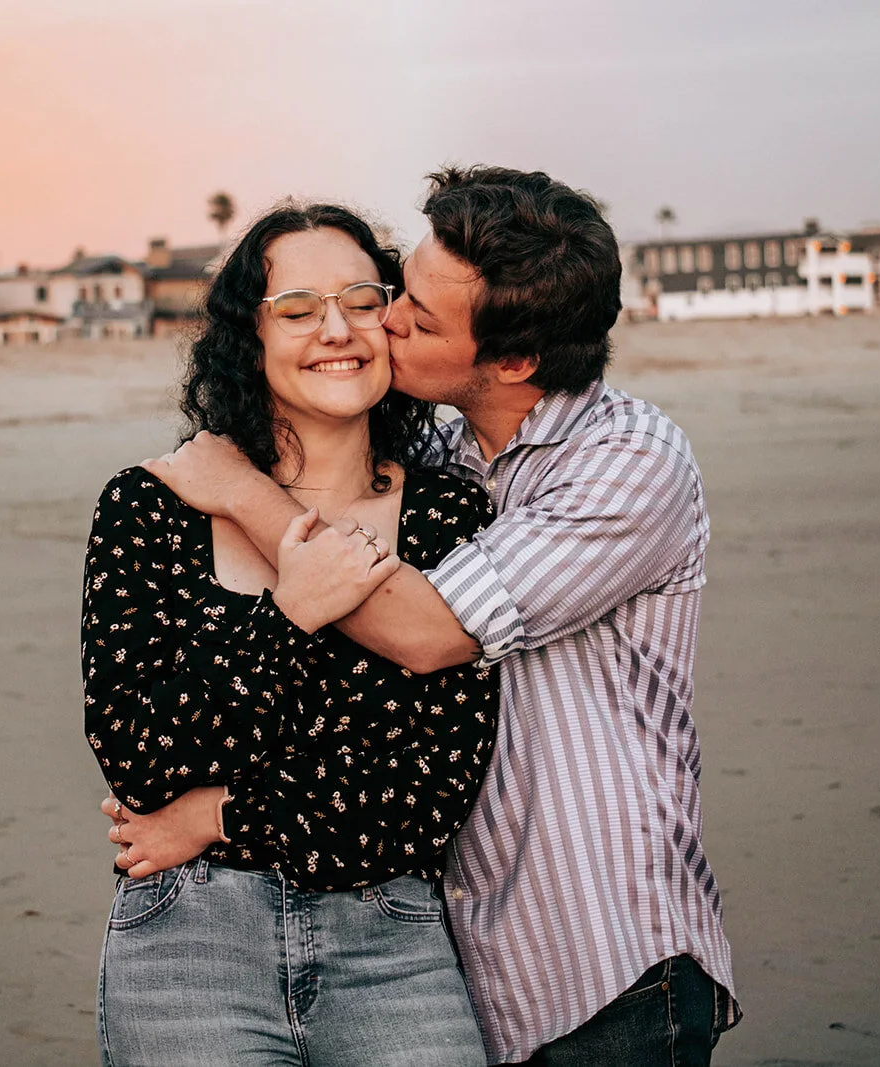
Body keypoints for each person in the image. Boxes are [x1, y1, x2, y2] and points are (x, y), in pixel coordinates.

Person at [128, 166, 740, 1065]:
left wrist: (240, 491)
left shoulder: (627, 463)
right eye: (399, 290)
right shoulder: (443, 451)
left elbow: (424, 631)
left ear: (515, 360)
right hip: (463, 956)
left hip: (604, 958)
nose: (386, 321)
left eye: (415, 314)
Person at [83, 202, 500, 1066]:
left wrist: (216, 811)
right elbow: (138, 751)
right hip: (188, 941)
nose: (337, 330)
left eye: (360, 298)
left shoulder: (449, 516)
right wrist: (288, 616)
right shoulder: (150, 507)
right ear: (250, 337)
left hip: (394, 943)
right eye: (299, 308)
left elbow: (425, 795)